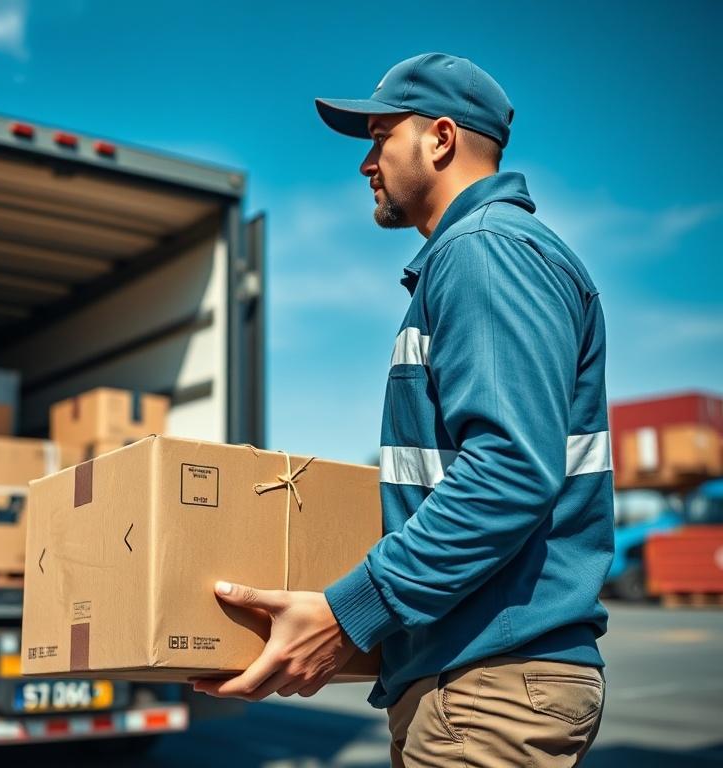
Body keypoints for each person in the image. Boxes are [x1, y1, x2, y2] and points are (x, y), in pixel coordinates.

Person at [192, 52, 614, 767]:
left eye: (380, 135)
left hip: (488, 685)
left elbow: (510, 471)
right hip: (469, 680)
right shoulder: (477, 258)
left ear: (441, 139)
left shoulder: (485, 252)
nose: (366, 162)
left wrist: (350, 613)